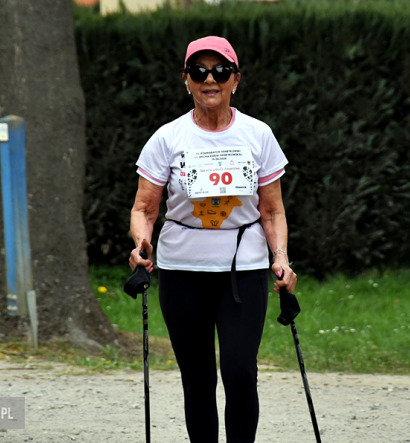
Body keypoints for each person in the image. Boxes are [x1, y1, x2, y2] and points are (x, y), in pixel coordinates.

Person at [128, 36, 297, 443]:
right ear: (186, 80)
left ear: (235, 80)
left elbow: (271, 210)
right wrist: (141, 243)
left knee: (240, 373)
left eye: (220, 71)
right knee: (198, 379)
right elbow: (144, 209)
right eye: (199, 71)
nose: (210, 79)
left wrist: (282, 259)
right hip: (182, 271)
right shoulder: (168, 138)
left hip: (245, 269)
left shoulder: (258, 135)